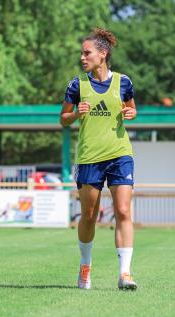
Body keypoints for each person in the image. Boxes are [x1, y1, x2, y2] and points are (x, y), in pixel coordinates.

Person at [60, 27, 138, 290]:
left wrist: (131, 114)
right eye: (82, 54)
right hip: (89, 157)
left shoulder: (123, 82)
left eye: (87, 53)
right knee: (89, 216)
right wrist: (75, 114)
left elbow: (132, 108)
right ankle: (85, 267)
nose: (83, 58)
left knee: (124, 211)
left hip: (120, 155)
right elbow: (63, 119)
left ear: (102, 54)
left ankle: (125, 273)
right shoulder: (77, 85)